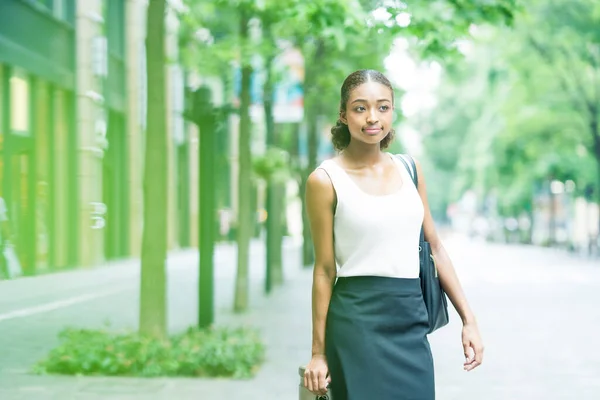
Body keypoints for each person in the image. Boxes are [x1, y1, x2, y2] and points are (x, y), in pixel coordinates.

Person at [303, 69, 484, 399]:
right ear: (343, 115)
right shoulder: (324, 180)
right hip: (355, 324)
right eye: (360, 108)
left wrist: (468, 319)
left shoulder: (410, 169)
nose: (373, 117)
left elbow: (436, 248)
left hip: (409, 319)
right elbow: (325, 270)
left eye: (383, 107)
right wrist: (318, 353)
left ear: (392, 112)